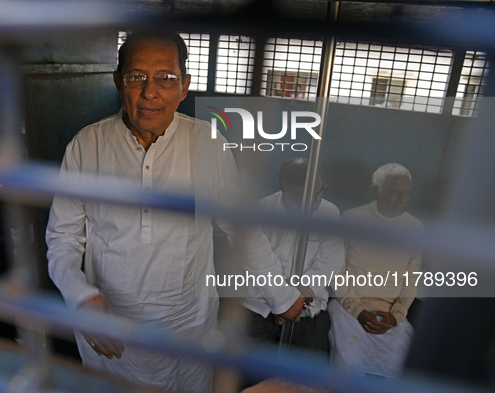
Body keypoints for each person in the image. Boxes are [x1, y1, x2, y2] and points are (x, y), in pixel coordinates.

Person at [46, 28, 305, 393]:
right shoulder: (87, 146)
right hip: (112, 329)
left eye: (166, 79)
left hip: (188, 327)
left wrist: (281, 295)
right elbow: (62, 238)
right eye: (137, 77)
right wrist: (80, 296)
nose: (150, 92)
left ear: (184, 86)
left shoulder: (209, 145)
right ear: (119, 82)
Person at [328, 163, 424, 378]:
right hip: (349, 309)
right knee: (348, 368)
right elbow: (337, 272)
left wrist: (396, 317)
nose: (402, 199)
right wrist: (357, 310)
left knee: (401, 370)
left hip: (390, 316)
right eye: (394, 192)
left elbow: (411, 280)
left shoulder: (415, 228)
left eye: (407, 193)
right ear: (375, 191)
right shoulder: (352, 219)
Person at [246, 158, 344, 355]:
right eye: (311, 195)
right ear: (288, 194)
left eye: (321, 190)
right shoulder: (263, 209)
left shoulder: (329, 213)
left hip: (309, 303)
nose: (318, 200)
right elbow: (255, 260)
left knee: (307, 378)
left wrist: (297, 297)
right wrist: (281, 300)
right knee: (246, 371)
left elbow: (331, 260)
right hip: (262, 303)